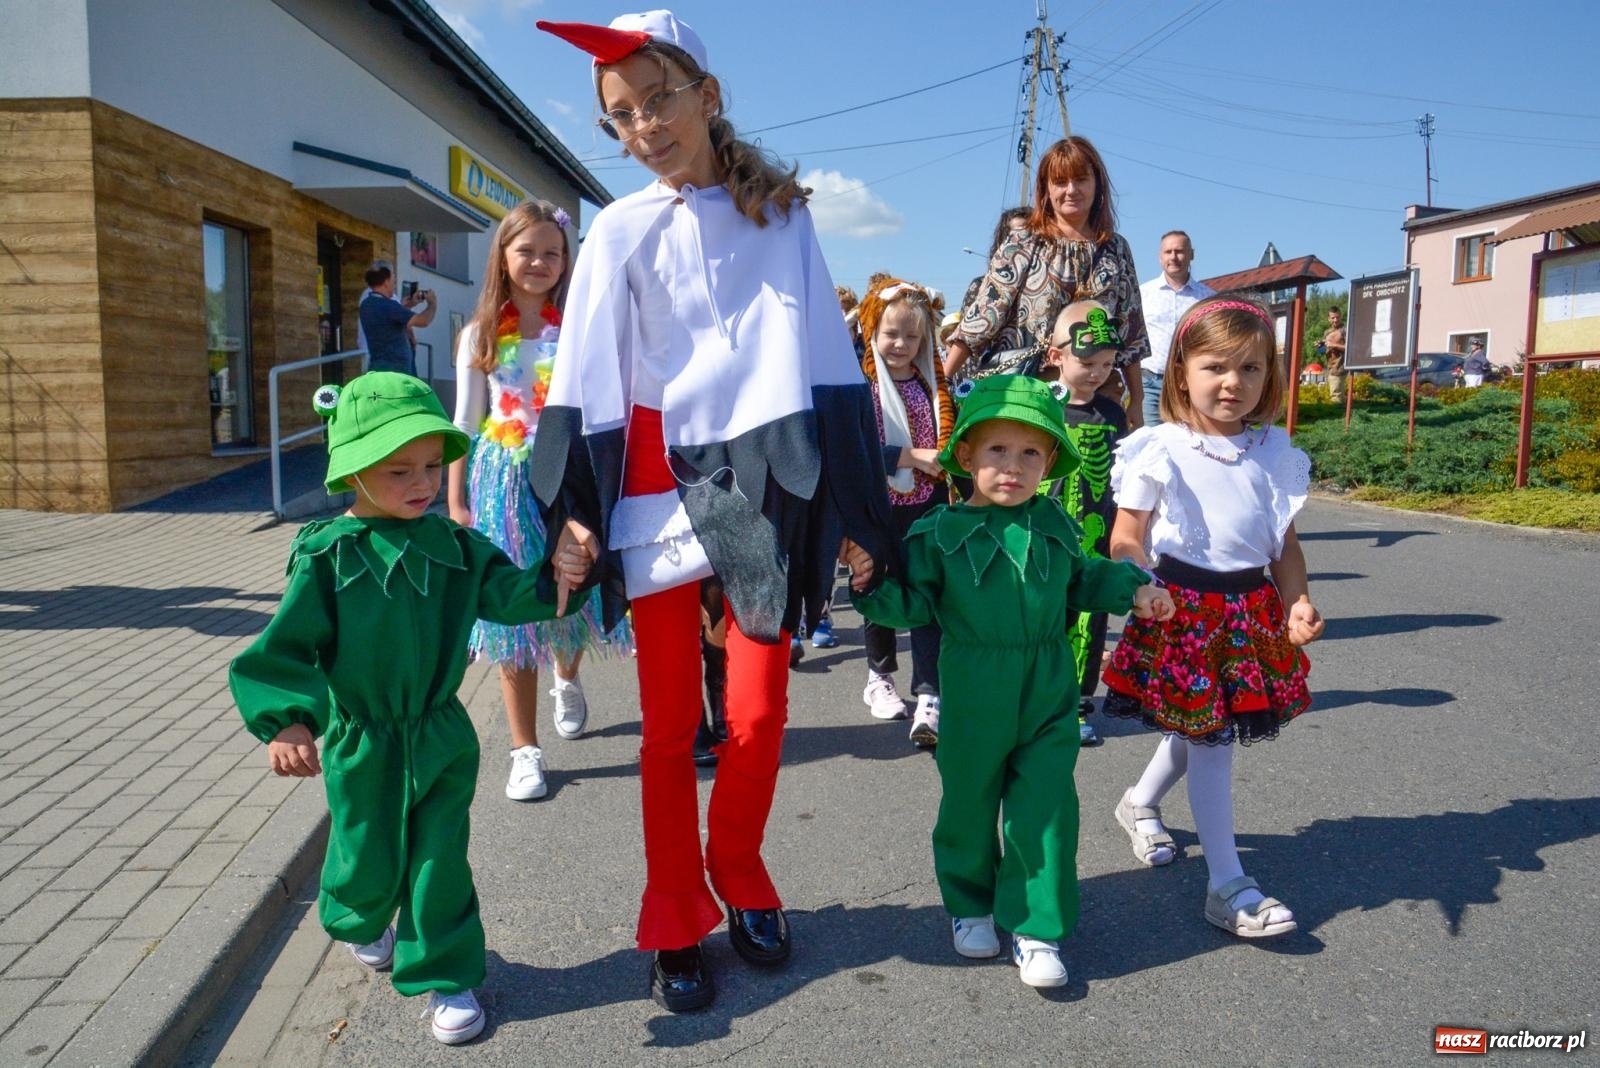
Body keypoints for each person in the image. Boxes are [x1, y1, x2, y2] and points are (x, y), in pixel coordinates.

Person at [533, 11, 893, 1013]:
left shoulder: (783, 219)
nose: (643, 126)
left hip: (752, 486)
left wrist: (860, 508)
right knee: (663, 730)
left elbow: (827, 360)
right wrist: (576, 512)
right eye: (620, 116)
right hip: (652, 478)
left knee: (760, 708)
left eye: (657, 101)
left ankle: (738, 867)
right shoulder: (615, 229)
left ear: (707, 97)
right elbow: (585, 377)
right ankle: (673, 911)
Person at [229, 372, 593, 1045]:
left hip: (439, 735)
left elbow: (514, 594)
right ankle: (360, 918)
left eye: (433, 465)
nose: (423, 482)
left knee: (439, 860)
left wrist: (561, 571)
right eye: (399, 469)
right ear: (355, 471)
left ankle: (445, 972)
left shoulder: (457, 548)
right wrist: (289, 719)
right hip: (360, 740)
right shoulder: (326, 556)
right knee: (365, 861)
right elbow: (285, 647)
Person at [843, 376, 1172, 989]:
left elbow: (1083, 579)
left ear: (1049, 462)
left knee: (1045, 805)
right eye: (997, 450)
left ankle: (1036, 926)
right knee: (968, 803)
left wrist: (1136, 589)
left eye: (1031, 453)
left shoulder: (1052, 520)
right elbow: (911, 606)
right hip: (972, 687)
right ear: (965, 455)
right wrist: (868, 585)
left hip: (1049, 684)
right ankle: (970, 905)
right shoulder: (936, 533)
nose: (1013, 467)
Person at [1100, 295, 1325, 939]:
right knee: (1212, 738)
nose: (1233, 382)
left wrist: (1297, 601)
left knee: (1207, 723)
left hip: (1248, 611)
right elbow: (1126, 536)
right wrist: (1140, 583)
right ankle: (1228, 884)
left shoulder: (1272, 449)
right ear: (1181, 373)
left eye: (1251, 369)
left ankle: (1139, 803)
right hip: (1181, 610)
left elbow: (1283, 544)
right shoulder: (1158, 446)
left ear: (1269, 376)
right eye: (1216, 367)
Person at [447, 200, 633, 802]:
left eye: (553, 253)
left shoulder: (574, 330)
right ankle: (524, 750)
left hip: (565, 476)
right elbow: (464, 422)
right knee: (514, 616)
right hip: (501, 483)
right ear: (503, 255)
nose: (540, 262)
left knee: (570, 600)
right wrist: (457, 504)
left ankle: (568, 675)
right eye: (527, 250)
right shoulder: (479, 334)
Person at [944, 138, 1149, 426]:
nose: (1071, 190)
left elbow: (1131, 330)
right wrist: (942, 382)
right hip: (1029, 391)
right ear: (1046, 189)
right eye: (1060, 182)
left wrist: (1137, 401)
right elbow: (983, 316)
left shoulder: (1116, 248)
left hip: (1098, 398)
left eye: (1080, 180)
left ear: (1097, 184)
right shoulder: (1024, 241)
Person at [856, 278, 954, 745]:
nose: (900, 345)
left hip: (927, 508)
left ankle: (929, 692)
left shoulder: (932, 387)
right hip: (879, 509)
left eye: (911, 337)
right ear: (872, 332)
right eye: (891, 334)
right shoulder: (861, 390)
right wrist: (911, 457)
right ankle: (879, 676)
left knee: (928, 596)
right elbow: (854, 454)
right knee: (879, 591)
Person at [1040, 300, 1130, 749]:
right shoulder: (1040, 407)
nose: (1098, 372)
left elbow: (1124, 478)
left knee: (1089, 622)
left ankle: (1077, 704)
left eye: (1108, 364)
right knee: (1042, 618)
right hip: (1043, 536)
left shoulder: (1113, 414)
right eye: (1087, 362)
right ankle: (1035, 702)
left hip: (1094, 533)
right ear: (1057, 356)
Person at [1137, 230, 1214, 427]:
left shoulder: (1208, 299)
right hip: (1150, 383)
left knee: (1189, 442)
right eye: (1168, 252)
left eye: (1179, 251)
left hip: (1189, 384)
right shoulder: (1142, 294)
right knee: (1151, 442)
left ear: (1191, 255)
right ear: (1160, 257)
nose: (1174, 257)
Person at [359, 264, 436, 375]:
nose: (394, 286)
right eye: (393, 282)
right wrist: (432, 303)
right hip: (397, 372)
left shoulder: (366, 305)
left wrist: (408, 306)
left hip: (377, 368)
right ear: (386, 282)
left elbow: (389, 322)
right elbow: (423, 321)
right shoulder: (389, 306)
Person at [959, 206, 1030, 316]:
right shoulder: (980, 286)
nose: (1025, 242)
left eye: (1030, 234)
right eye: (1018, 234)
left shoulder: (1046, 288)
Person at [1322, 306, 1347, 402]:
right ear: (1329, 319)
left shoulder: (1345, 331)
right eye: (1333, 318)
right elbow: (1325, 351)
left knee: (1336, 398)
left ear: (1341, 317)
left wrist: (1333, 345)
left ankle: (1340, 416)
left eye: (1337, 317)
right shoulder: (1327, 332)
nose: (1335, 320)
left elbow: (1349, 348)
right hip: (1330, 368)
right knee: (1338, 398)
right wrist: (1320, 347)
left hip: (1340, 368)